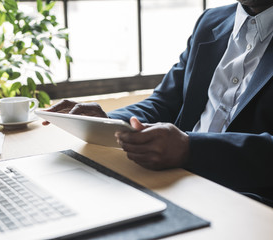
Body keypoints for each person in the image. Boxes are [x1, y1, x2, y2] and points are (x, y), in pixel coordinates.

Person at [43, 0, 273, 207]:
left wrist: (190, 148)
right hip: (175, 178)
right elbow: (164, 101)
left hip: (249, 197)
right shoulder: (211, 21)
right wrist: (108, 121)